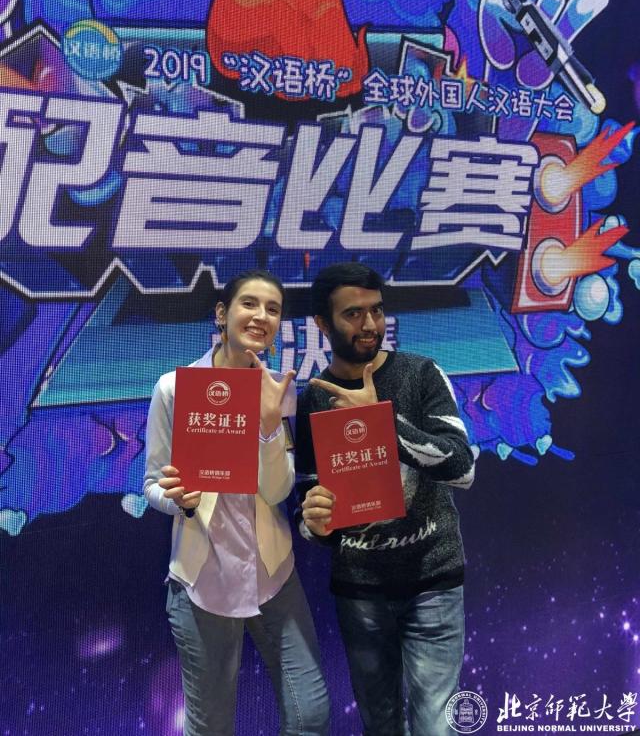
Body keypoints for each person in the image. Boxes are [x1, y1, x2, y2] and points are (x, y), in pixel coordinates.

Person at [144, 270, 330, 736]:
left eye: (273, 309)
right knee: (211, 727)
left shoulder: (280, 391)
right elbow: (152, 485)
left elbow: (278, 491)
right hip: (203, 581)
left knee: (310, 714)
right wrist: (178, 500)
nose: (261, 316)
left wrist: (268, 428)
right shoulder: (174, 388)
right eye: (249, 304)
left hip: (274, 575)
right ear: (222, 313)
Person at [295, 262, 476, 736]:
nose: (370, 325)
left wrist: (380, 420)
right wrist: (313, 524)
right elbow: (309, 500)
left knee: (437, 727)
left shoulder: (420, 373)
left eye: (376, 311)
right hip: (361, 592)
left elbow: (463, 468)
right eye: (353, 314)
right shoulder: (313, 399)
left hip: (433, 582)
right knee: (380, 725)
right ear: (322, 323)